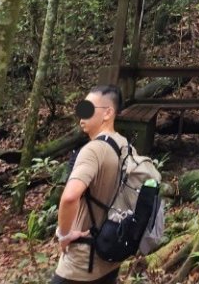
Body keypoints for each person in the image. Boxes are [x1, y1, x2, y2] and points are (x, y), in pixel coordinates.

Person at [52, 84, 128, 284]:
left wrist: (64, 235)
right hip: (110, 250)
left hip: (82, 260)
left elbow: (70, 197)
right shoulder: (123, 144)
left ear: (108, 113)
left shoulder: (93, 150)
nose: (81, 115)